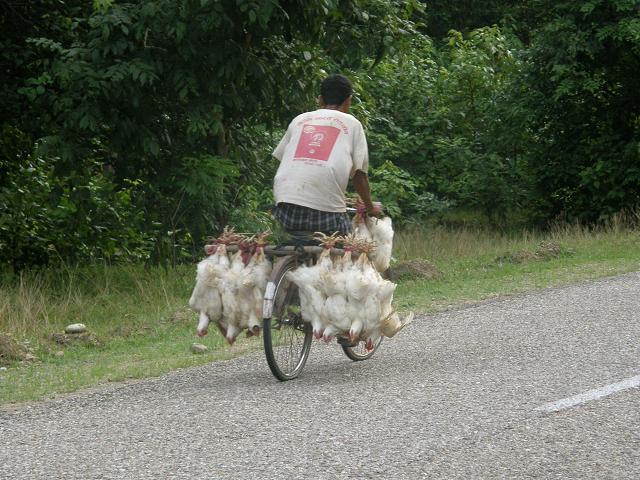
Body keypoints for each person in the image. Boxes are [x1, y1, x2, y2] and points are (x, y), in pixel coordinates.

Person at [271, 73, 381, 236]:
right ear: (348, 101)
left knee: (289, 241)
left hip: (285, 209)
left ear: (320, 100)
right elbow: (359, 176)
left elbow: (285, 162)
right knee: (350, 250)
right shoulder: (353, 124)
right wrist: (370, 207)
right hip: (327, 215)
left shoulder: (299, 120)